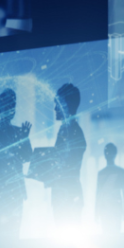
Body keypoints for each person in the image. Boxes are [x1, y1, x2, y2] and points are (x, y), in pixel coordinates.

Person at [0, 88, 31, 240]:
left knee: (9, 234)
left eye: (13, 105)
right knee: (7, 235)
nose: (12, 109)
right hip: (7, 191)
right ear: (0, 108)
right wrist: (23, 139)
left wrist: (24, 138)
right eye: (9, 105)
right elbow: (0, 160)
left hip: (7, 191)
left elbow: (26, 157)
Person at [50, 83, 86, 228]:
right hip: (65, 195)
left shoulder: (72, 132)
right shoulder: (67, 130)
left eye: (57, 104)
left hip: (67, 197)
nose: (54, 108)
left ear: (66, 104)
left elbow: (66, 166)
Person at [95, 142, 124, 233]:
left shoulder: (102, 173)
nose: (108, 155)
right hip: (113, 208)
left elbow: (98, 195)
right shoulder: (120, 171)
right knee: (114, 234)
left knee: (109, 235)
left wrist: (96, 212)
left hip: (108, 208)